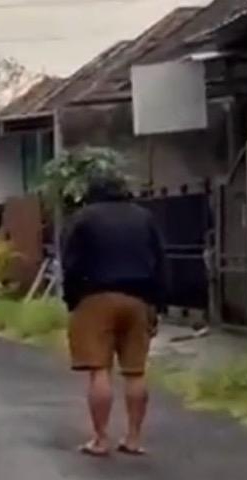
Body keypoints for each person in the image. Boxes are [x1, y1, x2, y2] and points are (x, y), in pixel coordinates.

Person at [61, 175, 168, 457]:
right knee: (135, 372)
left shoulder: (83, 219)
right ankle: (133, 438)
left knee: (99, 371)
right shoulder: (145, 218)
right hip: (138, 299)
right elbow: (160, 261)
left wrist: (72, 301)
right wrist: (157, 304)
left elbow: (71, 264)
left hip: (94, 297)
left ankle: (100, 439)